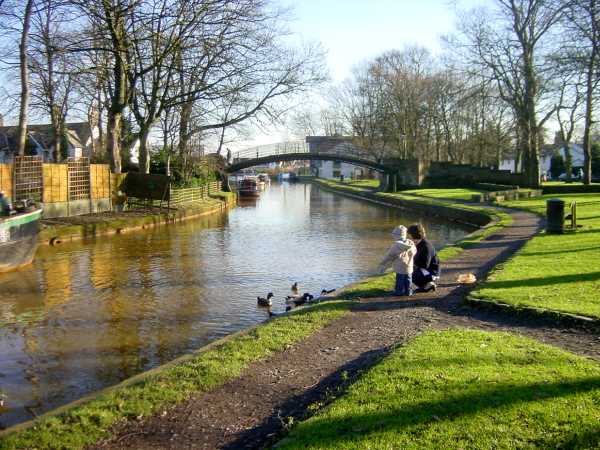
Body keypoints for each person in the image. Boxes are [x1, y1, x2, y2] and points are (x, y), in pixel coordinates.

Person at [377, 225, 416, 296]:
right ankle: (409, 292)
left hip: (400, 267)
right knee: (408, 279)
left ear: (397, 236)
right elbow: (415, 251)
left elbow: (389, 255)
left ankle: (398, 292)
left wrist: (382, 263)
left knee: (399, 280)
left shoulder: (396, 245)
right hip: (409, 266)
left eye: (394, 235)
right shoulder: (411, 243)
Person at [407, 223, 440, 293]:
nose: (409, 237)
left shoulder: (426, 246)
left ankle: (428, 284)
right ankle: (427, 284)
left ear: (414, 235)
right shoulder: (418, 243)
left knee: (409, 272)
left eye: (409, 236)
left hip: (431, 272)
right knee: (408, 269)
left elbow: (425, 264)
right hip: (425, 270)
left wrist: (411, 261)